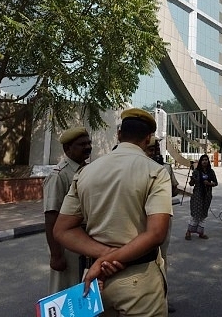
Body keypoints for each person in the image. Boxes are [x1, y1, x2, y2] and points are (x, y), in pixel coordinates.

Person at [54, 108, 172, 317]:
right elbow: (156, 234)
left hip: (97, 281)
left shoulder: (85, 172)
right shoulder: (155, 171)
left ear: (119, 134)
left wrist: (102, 257)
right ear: (148, 139)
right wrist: (110, 258)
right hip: (138, 279)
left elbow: (62, 229)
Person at [42, 127, 92, 293]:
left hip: (87, 240)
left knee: (84, 287)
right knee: (66, 289)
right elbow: (51, 216)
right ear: (67, 148)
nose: (87, 147)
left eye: (89, 143)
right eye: (81, 144)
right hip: (67, 244)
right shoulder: (59, 175)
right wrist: (56, 255)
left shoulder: (88, 170)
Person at [145, 137, 179, 313]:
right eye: (150, 148)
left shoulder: (165, 167)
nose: (153, 152)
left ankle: (162, 299)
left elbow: (174, 189)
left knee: (161, 259)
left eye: (155, 148)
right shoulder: (138, 167)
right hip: (142, 219)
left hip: (162, 218)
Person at [185, 154, 218, 240]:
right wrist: (192, 179)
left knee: (203, 214)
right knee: (195, 214)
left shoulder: (211, 172)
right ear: (200, 161)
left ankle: (201, 232)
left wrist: (209, 184)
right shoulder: (196, 171)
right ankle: (188, 232)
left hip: (207, 195)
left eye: (206, 160)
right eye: (203, 160)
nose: (204, 161)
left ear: (208, 161)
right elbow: (191, 184)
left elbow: (215, 183)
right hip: (197, 194)